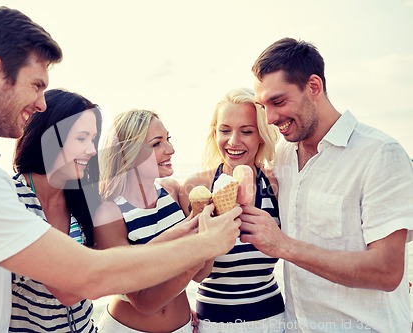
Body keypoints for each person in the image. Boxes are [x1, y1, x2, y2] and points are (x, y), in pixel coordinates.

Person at [0, 6, 243, 332]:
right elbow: (84, 277)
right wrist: (204, 244)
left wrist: (186, 232)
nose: (41, 103)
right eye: (36, 85)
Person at [241, 37, 413, 332]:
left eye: (278, 102)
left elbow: (387, 271)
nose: (269, 118)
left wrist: (284, 246)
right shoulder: (282, 155)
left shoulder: (380, 153)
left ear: (314, 87)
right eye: (263, 105)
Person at [179, 88, 285, 333]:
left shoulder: (276, 184)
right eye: (225, 130)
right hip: (213, 322)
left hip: (273, 320)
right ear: (214, 133)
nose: (233, 141)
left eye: (246, 131)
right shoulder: (197, 187)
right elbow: (191, 273)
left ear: (261, 135)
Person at [93, 109, 202, 333]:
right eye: (156, 144)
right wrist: (192, 250)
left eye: (168, 139)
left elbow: (202, 274)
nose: (170, 150)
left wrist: (210, 227)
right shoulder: (108, 212)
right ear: (128, 153)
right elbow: (144, 303)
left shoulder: (172, 191)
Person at [10, 88, 102, 332]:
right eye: (82, 138)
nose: (92, 149)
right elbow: (67, 291)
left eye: (93, 139)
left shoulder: (83, 198)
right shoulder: (12, 200)